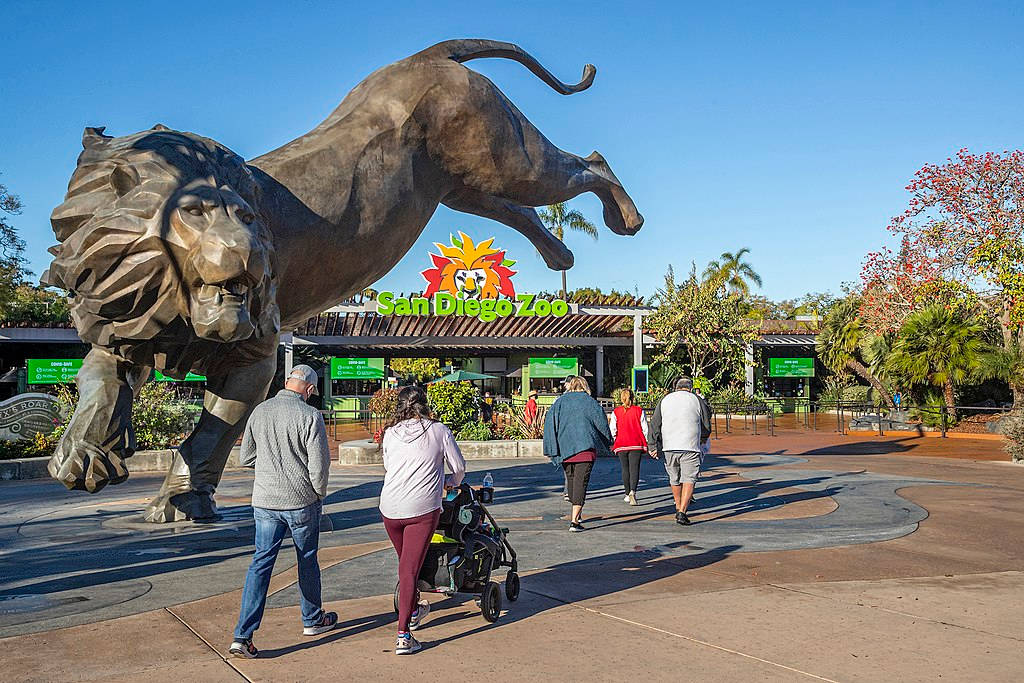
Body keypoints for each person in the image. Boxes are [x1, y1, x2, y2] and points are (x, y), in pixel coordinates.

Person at [230, 365, 336, 659]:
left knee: (260, 564)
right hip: (300, 501)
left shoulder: (260, 410)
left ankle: (243, 635)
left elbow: (246, 457)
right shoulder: (310, 415)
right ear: (310, 389)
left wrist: (269, 468)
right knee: (306, 559)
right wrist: (318, 494)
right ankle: (312, 619)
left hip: (264, 500)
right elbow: (319, 466)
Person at [380, 385, 466, 655]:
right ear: (424, 404)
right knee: (409, 570)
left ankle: (414, 610)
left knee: (407, 564)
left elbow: (388, 465)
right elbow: (459, 467)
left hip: (390, 509)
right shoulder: (438, 430)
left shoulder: (390, 433)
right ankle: (404, 635)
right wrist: (449, 482)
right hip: (422, 509)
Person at [543, 375, 612, 532]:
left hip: (565, 450)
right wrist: (608, 441)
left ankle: (577, 512)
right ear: (585, 386)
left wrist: (551, 448)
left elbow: (549, 423)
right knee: (581, 483)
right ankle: (575, 521)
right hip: (585, 450)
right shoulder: (590, 402)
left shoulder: (560, 402)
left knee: (572, 481)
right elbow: (601, 423)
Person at [649, 376, 712, 526]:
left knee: (674, 478)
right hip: (690, 445)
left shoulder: (665, 400)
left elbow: (655, 423)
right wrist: (703, 437)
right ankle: (682, 511)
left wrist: (652, 445)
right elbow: (706, 422)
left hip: (669, 445)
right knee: (689, 478)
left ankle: (678, 506)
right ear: (690, 388)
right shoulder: (696, 400)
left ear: (676, 387)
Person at [609, 388, 649, 506]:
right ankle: (633, 491)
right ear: (633, 397)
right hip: (636, 443)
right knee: (634, 468)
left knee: (625, 468)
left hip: (622, 443)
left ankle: (627, 493)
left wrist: (616, 438)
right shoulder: (639, 410)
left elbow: (613, 429)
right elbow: (645, 428)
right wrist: (646, 440)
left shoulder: (616, 412)